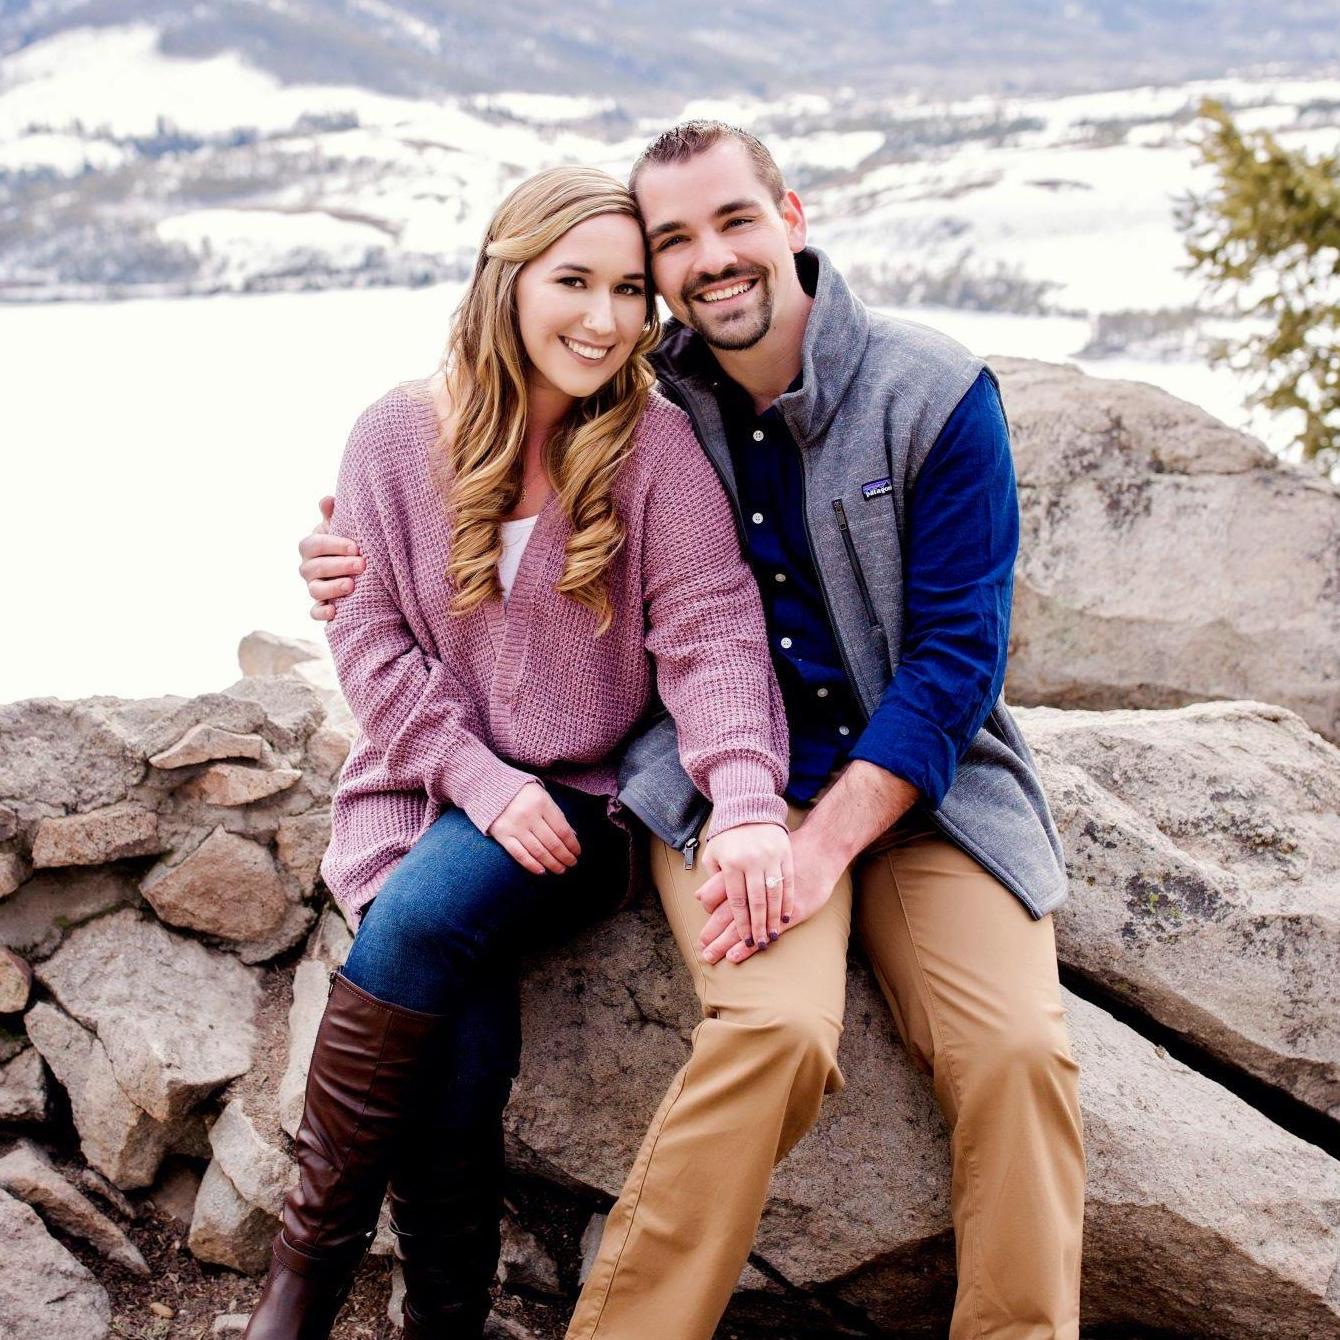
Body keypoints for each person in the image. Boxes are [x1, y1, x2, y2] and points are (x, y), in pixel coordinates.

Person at [303, 123, 1087, 1340]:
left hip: (918, 788)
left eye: (734, 221)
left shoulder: (929, 394)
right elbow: (483, 467)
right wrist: (346, 550)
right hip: (718, 783)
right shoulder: (646, 386)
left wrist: (815, 844)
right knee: (775, 1029)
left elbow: (953, 664)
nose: (707, 259)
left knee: (1020, 1054)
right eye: (673, 240)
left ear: (792, 215)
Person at [250, 163, 793, 1340]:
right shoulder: (397, 433)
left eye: (628, 291)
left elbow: (713, 636)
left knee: (421, 919)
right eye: (572, 282)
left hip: (585, 800)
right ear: (506, 278)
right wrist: (477, 779)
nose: (603, 319)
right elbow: (367, 635)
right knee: (457, 1031)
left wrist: (747, 798)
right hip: (425, 787)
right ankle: (443, 1320)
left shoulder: (651, 447)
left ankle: (293, 1299)